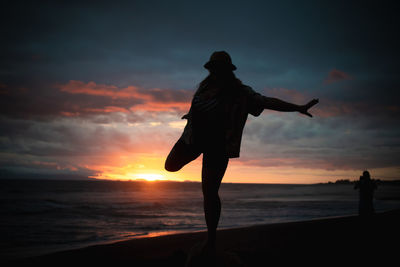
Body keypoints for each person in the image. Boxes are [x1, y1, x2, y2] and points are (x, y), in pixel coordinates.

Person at [165, 51, 319, 254]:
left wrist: (297, 107)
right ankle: (210, 238)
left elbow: (266, 101)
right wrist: (192, 115)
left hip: (218, 146)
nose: (215, 71)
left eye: (219, 68)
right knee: (170, 166)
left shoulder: (239, 92)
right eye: (213, 68)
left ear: (227, 70)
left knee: (210, 193)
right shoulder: (204, 87)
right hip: (192, 139)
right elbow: (201, 106)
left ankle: (211, 240)